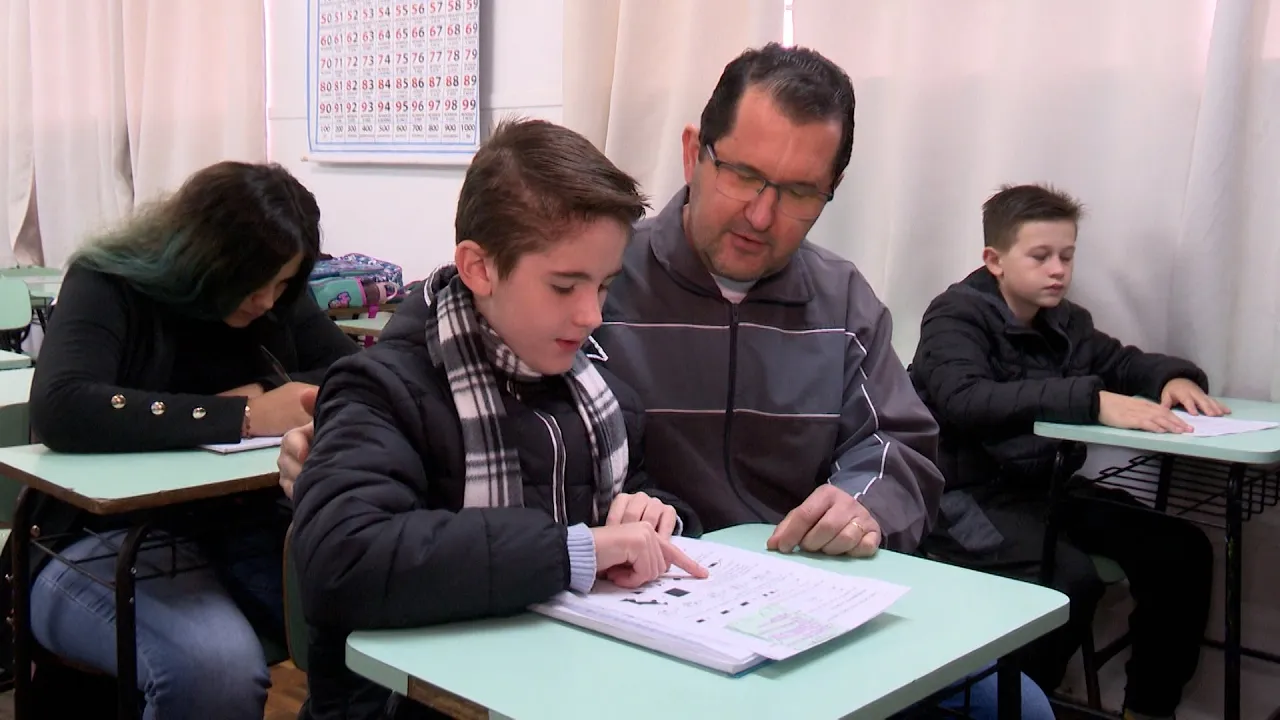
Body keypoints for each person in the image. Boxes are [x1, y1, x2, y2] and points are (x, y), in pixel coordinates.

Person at [280, 45, 1052, 718]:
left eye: (798, 192)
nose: (761, 213)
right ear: (694, 152)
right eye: (743, 174)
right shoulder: (598, 268)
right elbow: (449, 338)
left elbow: (899, 442)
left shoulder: (841, 300)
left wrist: (862, 504)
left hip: (781, 600)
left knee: (1007, 702)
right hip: (629, 621)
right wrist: (346, 427)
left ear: (830, 192)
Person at [288, 118, 707, 720]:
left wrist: (658, 514)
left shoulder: (598, 394)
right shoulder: (382, 389)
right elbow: (343, 560)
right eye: (564, 286)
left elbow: (637, 494)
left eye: (603, 286)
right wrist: (572, 552)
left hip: (563, 690)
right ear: (479, 268)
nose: (591, 315)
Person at [8, 160, 357, 720]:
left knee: (372, 635)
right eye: (253, 283)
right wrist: (240, 416)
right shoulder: (106, 283)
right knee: (215, 671)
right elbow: (62, 405)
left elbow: (355, 374)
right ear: (203, 256)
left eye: (282, 283)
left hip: (247, 531)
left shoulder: (277, 296)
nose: (267, 301)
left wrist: (274, 395)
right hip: (99, 542)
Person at [909, 183, 1218, 720]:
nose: (1058, 270)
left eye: (1067, 256)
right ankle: (1020, 707)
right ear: (995, 260)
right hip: (958, 498)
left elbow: (1121, 363)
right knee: (1067, 582)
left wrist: (1172, 377)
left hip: (1042, 489)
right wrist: (1092, 400)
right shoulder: (954, 316)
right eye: (1041, 256)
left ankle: (1148, 709)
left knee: (1181, 549)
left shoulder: (1067, 321)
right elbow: (966, 399)